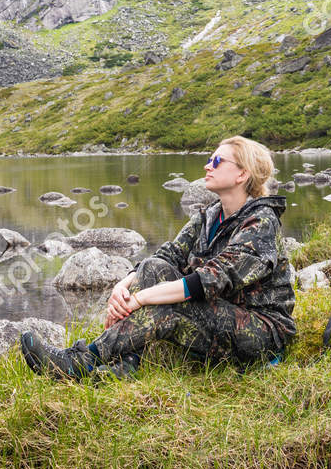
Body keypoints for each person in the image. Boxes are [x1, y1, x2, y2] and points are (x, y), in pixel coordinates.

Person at [21, 135, 297, 381]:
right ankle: (127, 363)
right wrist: (124, 285)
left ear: (241, 175)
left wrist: (140, 298)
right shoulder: (210, 215)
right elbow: (168, 254)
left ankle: (81, 360)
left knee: (171, 306)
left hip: (261, 331)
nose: (207, 166)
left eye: (217, 160)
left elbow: (210, 280)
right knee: (153, 267)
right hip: (219, 311)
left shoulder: (261, 222)